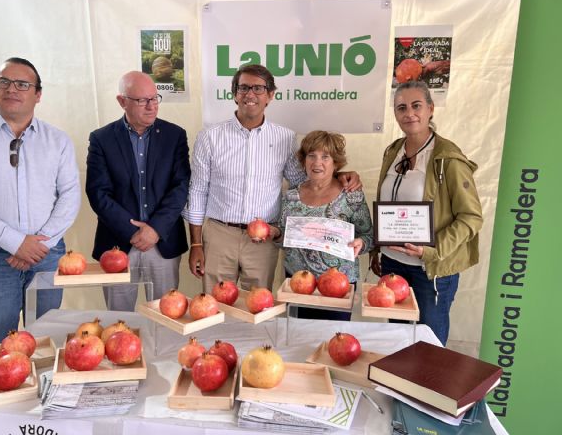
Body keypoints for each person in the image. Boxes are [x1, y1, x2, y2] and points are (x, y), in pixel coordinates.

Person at [183, 64, 360, 293]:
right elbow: (197, 191)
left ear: (270, 95)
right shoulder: (210, 138)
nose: (250, 94)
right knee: (214, 306)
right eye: (243, 87)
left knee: (259, 307)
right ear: (234, 94)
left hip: (264, 239)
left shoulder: (285, 138)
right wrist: (196, 244)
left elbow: (303, 182)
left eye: (258, 88)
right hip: (219, 236)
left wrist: (339, 176)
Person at [0, 57, 81, 345]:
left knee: (47, 341)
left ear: (38, 95)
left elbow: (70, 196)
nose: (11, 89)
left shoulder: (57, 140)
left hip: (46, 255)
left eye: (22, 84)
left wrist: (38, 244)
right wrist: (16, 242)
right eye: (3, 82)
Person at [370, 80, 482, 345]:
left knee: (428, 342)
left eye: (416, 106)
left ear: (430, 109)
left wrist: (430, 250)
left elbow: (471, 217)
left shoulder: (448, 158)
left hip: (429, 268)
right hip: (393, 264)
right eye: (401, 108)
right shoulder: (393, 151)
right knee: (397, 339)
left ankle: (427, 387)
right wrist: (378, 249)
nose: (409, 113)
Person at [86, 71, 190, 310]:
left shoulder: (175, 136)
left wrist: (155, 229)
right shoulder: (102, 139)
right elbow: (97, 192)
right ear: (122, 101)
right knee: (120, 322)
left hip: (163, 241)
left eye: (154, 98)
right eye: (142, 100)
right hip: (118, 244)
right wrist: (133, 231)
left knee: (167, 317)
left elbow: (181, 186)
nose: (151, 106)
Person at [277, 131, 373, 320]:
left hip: (339, 286)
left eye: (325, 157)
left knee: (336, 339)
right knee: (297, 338)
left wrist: (361, 242)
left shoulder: (351, 195)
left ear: (335, 163)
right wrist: (274, 234)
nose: (317, 162)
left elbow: (369, 235)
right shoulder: (291, 196)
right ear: (304, 161)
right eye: (311, 156)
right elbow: (282, 239)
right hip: (297, 283)